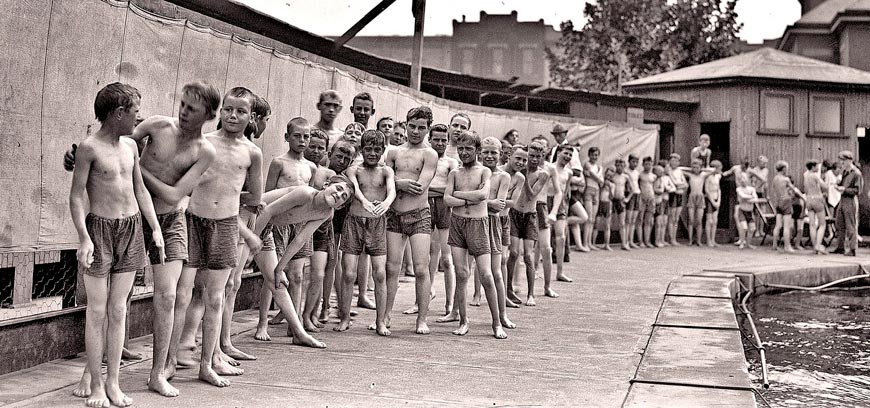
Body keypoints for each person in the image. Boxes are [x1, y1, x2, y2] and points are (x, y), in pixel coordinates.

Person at [65, 82, 221, 399]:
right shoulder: (155, 126)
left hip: (169, 219)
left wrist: (140, 169)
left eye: (192, 108)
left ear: (208, 114)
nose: (183, 110)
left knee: (168, 296)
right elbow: (112, 149)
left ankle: (158, 373)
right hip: (122, 219)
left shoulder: (204, 151)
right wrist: (76, 156)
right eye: (182, 103)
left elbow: (174, 193)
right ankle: (93, 374)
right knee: (108, 304)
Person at [70, 83, 162, 408]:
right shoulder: (89, 148)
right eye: (136, 110)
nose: (140, 116)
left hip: (131, 228)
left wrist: (154, 228)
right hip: (100, 230)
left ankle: (113, 382)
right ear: (119, 113)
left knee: (119, 309)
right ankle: (95, 384)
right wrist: (84, 237)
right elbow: (76, 197)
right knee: (96, 311)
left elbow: (141, 191)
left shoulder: (131, 147)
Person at [174, 87, 264, 387]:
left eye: (240, 111)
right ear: (220, 111)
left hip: (226, 224)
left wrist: (229, 195)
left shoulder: (252, 152)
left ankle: (208, 362)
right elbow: (181, 179)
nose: (233, 116)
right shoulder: (204, 143)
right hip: (192, 221)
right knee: (182, 293)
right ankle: (171, 359)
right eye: (228, 109)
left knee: (215, 296)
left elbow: (255, 195)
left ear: (250, 116)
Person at [249, 178, 354, 330]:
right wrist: (252, 245)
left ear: (340, 207)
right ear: (326, 185)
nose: (339, 194)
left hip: (265, 228)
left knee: (275, 280)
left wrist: (280, 268)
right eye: (338, 188)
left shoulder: (326, 213)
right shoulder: (305, 193)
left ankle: (297, 331)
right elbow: (267, 210)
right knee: (231, 280)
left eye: (344, 196)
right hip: (252, 216)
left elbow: (300, 240)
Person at [442, 131, 506, 339]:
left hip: (479, 224)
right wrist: (468, 199)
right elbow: (447, 200)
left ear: (477, 150)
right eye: (461, 149)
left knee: (486, 274)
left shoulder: (484, 172)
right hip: (458, 224)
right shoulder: (454, 173)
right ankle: (463, 320)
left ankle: (497, 322)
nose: (464, 153)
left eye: (469, 149)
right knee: (461, 273)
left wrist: (459, 195)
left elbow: (483, 195)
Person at [255, 117, 317, 334]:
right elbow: (267, 196)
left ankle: (295, 324)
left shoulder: (311, 166)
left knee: (297, 275)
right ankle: (262, 322)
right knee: (272, 275)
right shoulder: (279, 162)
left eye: (306, 136)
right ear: (287, 137)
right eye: (297, 136)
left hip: (299, 224)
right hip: (278, 222)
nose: (302, 140)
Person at [384, 106, 439, 334]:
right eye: (412, 126)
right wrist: (399, 183)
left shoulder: (430, 154)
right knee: (391, 267)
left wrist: (397, 182)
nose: (416, 132)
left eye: (421, 128)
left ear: (428, 129)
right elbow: (382, 181)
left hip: (419, 215)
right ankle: (385, 315)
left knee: (421, 268)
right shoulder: (393, 152)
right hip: (395, 214)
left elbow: (420, 186)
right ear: (405, 125)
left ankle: (422, 319)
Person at [342, 130, 396, 334]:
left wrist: (386, 204)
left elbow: (392, 190)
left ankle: (381, 321)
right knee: (348, 273)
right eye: (368, 149)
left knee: (380, 273)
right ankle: (345, 317)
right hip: (354, 222)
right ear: (361, 150)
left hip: (377, 223)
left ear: (383, 151)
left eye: (377, 150)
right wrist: (364, 201)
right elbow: (355, 189)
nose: (372, 153)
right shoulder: (354, 170)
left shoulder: (386, 172)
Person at [406, 124, 457, 315]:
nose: (440, 143)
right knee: (425, 258)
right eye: (436, 139)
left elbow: (452, 190)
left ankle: (449, 304)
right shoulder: (424, 157)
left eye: (444, 140)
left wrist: (433, 189)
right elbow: (420, 186)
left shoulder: (451, 163)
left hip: (444, 208)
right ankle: (421, 301)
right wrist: (436, 190)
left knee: (447, 257)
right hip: (425, 206)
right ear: (430, 139)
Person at [506, 142, 551, 306]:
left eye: (538, 157)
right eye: (531, 156)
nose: (533, 159)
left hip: (530, 216)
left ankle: (531, 294)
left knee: (528, 256)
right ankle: (508, 289)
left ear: (542, 158)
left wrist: (523, 176)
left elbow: (532, 195)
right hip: (515, 214)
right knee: (513, 253)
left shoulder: (542, 174)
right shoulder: (517, 170)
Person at [479, 136, 519, 325]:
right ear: (479, 153)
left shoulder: (504, 176)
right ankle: (456, 311)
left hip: (492, 224)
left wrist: (475, 201)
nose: (489, 156)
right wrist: (486, 202)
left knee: (495, 272)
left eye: (493, 152)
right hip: (471, 223)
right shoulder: (474, 172)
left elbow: (498, 206)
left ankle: (502, 315)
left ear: (500, 154)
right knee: (462, 271)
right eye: (485, 152)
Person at [301, 129, 336, 332]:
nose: (315, 150)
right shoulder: (301, 167)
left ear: (326, 151)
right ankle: (291, 313)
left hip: (321, 228)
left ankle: (310, 313)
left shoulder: (329, 174)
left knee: (318, 273)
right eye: (312, 146)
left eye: (320, 148)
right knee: (296, 274)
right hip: (299, 225)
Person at [318, 140, 357, 324]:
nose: (341, 161)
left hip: (336, 223)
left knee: (331, 263)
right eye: (338, 156)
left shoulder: (347, 178)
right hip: (315, 220)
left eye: (346, 159)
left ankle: (329, 305)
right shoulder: (321, 171)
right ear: (330, 153)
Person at [530, 136, 561, 299]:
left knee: (546, 249)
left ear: (547, 149)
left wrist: (554, 212)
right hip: (526, 207)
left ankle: (547, 286)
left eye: (543, 146)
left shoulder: (550, 168)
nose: (539, 149)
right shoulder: (526, 165)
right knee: (522, 251)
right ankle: (515, 286)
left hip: (541, 207)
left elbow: (558, 191)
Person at [554, 144, 582, 278]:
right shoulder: (549, 168)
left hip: (560, 206)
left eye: (570, 155)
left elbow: (566, 191)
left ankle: (560, 272)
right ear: (558, 152)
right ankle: (535, 269)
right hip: (547, 203)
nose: (568, 157)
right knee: (543, 241)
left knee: (561, 238)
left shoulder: (569, 172)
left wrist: (564, 206)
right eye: (565, 153)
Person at [832, 151, 862, 256]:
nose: (841, 162)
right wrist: (837, 184)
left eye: (843, 160)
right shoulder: (844, 171)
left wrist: (844, 189)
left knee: (851, 225)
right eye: (840, 160)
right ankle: (840, 247)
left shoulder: (856, 173)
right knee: (839, 223)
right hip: (842, 199)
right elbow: (841, 183)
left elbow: (858, 190)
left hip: (850, 200)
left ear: (850, 160)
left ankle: (853, 249)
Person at [769, 161, 803, 253]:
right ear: (784, 169)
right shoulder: (786, 179)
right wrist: (803, 196)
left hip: (778, 202)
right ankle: (787, 246)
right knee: (787, 226)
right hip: (786, 202)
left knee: (778, 225)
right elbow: (794, 189)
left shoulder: (775, 179)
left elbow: (774, 190)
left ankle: (774, 245)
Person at [683, 159, 713, 246]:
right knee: (691, 220)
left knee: (699, 220)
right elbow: (679, 169)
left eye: (697, 167)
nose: (695, 169)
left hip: (700, 197)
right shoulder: (690, 175)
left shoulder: (703, 175)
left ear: (700, 168)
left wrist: (702, 169)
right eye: (694, 167)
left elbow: (713, 170)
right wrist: (690, 169)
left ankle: (698, 240)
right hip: (692, 197)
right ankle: (690, 240)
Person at [803, 161, 828, 254]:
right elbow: (824, 186)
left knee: (812, 224)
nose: (818, 168)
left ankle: (814, 246)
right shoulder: (815, 175)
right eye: (817, 166)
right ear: (813, 167)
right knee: (822, 224)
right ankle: (818, 244)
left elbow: (805, 189)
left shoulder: (805, 176)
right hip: (817, 199)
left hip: (809, 199)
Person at [583, 147, 604, 250]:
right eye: (592, 155)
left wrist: (598, 173)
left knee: (593, 220)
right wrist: (600, 172)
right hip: (589, 190)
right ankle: (585, 243)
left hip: (597, 191)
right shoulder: (587, 164)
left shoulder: (598, 167)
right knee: (588, 218)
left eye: (596, 155)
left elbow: (601, 181)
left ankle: (590, 242)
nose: (594, 157)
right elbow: (595, 176)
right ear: (589, 155)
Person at [735, 175, 762, 249]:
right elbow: (742, 196)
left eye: (744, 180)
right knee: (744, 228)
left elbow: (756, 199)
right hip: (742, 211)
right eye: (741, 180)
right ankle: (742, 243)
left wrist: (748, 199)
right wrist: (751, 197)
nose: (743, 181)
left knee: (752, 228)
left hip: (749, 212)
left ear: (747, 180)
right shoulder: (738, 189)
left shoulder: (751, 189)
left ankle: (748, 244)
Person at [592, 167, 615, 250]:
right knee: (596, 224)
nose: (608, 177)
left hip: (608, 203)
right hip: (600, 202)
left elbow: (612, 197)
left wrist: (609, 188)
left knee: (607, 225)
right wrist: (603, 186)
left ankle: (607, 244)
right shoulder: (601, 183)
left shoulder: (612, 185)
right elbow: (598, 192)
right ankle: (593, 243)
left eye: (610, 176)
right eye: (607, 175)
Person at [611, 160, 631, 250]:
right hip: (612, 200)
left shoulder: (626, 177)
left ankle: (624, 243)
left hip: (621, 200)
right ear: (615, 166)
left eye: (621, 166)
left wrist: (627, 199)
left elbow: (632, 190)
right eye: (618, 165)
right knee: (608, 222)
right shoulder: (612, 176)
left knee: (622, 223)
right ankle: (607, 243)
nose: (619, 167)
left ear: (624, 166)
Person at [637, 157, 657, 248]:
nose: (648, 166)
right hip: (642, 198)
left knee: (648, 221)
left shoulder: (653, 176)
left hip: (651, 198)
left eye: (649, 164)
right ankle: (640, 241)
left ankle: (647, 241)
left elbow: (655, 188)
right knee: (640, 219)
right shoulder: (640, 175)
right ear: (643, 165)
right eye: (646, 164)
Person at [704, 160, 724, 247]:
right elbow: (707, 190)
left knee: (715, 221)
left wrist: (718, 200)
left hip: (716, 198)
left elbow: (718, 189)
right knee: (710, 221)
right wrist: (712, 201)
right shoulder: (708, 177)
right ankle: (708, 241)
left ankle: (713, 240)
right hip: (710, 199)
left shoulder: (718, 176)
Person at [626, 155, 642, 249]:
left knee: (633, 220)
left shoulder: (637, 172)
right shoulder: (626, 172)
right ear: (629, 161)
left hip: (637, 194)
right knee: (628, 219)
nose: (635, 164)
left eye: (636, 162)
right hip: (630, 195)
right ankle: (626, 241)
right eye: (633, 162)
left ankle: (631, 241)